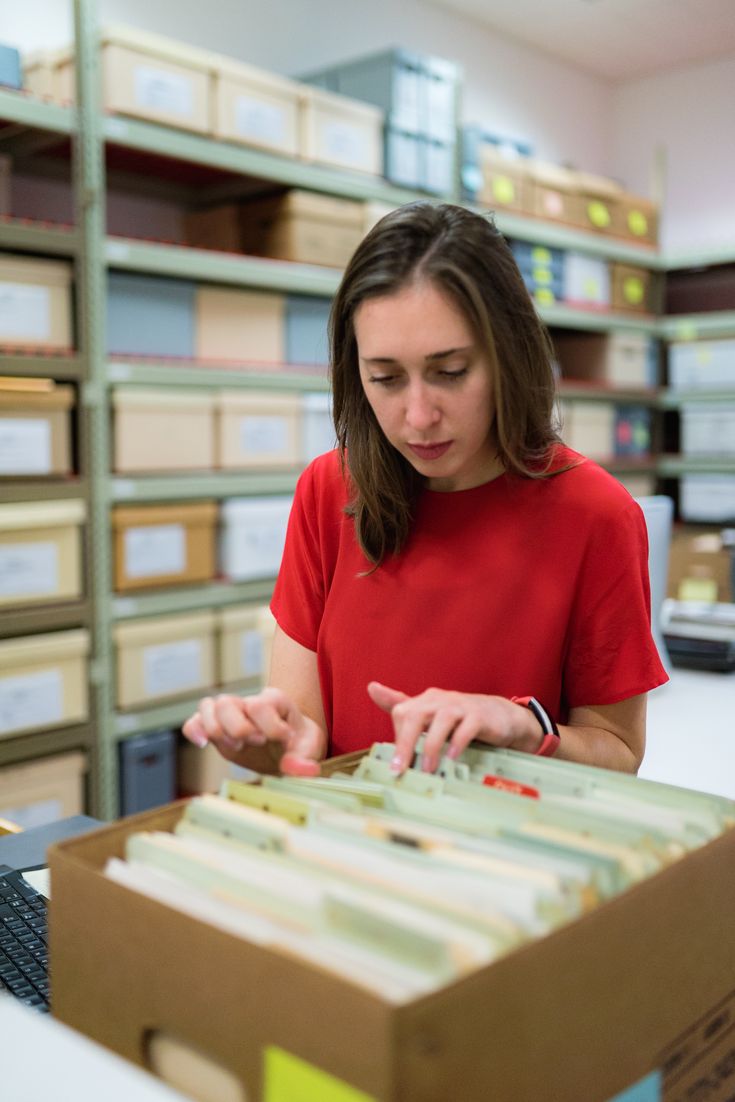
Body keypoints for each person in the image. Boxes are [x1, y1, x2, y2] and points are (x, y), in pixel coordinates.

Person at [183, 202, 668, 777]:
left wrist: (524, 728)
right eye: (385, 378)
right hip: (354, 843)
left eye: (450, 372)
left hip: (506, 850)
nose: (417, 416)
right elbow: (306, 738)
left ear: (507, 354)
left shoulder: (596, 514)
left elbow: (618, 752)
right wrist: (266, 736)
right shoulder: (328, 490)